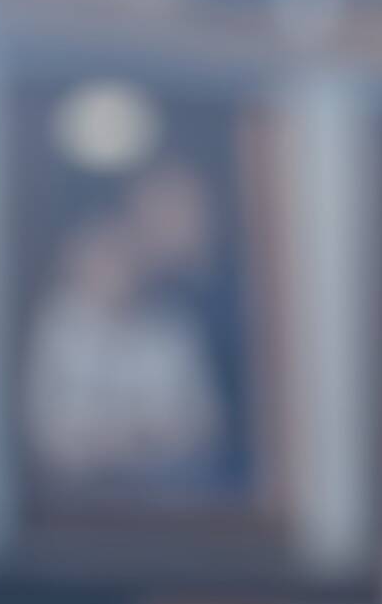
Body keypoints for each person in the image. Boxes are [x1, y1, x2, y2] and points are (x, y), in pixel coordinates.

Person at [22, 157, 229, 494]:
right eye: (98, 257)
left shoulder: (171, 327)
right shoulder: (57, 329)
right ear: (74, 262)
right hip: (72, 506)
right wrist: (120, 440)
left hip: (171, 501)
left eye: (118, 255)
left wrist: (132, 441)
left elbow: (201, 426)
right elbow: (48, 431)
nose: (111, 269)